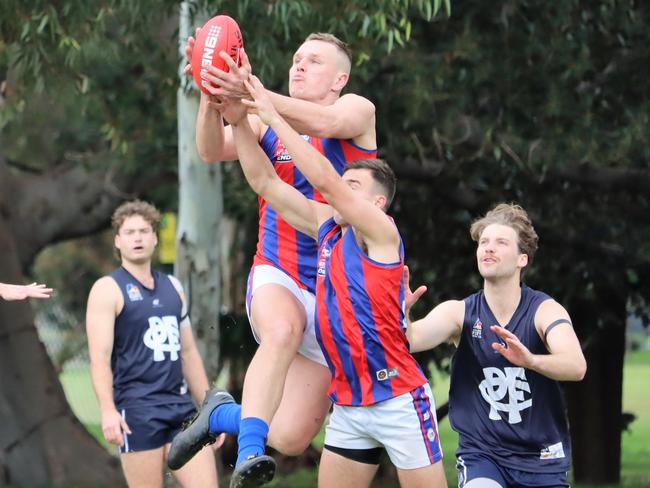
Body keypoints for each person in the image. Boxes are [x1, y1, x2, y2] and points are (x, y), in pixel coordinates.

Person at [173, 78, 447, 488]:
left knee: (290, 435)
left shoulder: (380, 232)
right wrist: (240, 121)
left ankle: (225, 417)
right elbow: (266, 183)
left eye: (352, 187)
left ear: (375, 204)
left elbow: (326, 182)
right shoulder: (326, 225)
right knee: (282, 433)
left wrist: (264, 109)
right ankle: (225, 419)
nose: (339, 194)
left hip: (397, 397)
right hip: (351, 401)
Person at [171, 31, 376, 474]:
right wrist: (213, 98)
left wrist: (250, 93)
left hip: (333, 291)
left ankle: (221, 415)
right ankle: (247, 457)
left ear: (340, 78)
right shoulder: (263, 119)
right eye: (297, 58)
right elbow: (209, 149)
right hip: (277, 270)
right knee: (283, 329)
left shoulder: (356, 111)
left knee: (288, 435)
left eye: (314, 62)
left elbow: (319, 124)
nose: (299, 66)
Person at [405, 203, 587, 488]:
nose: (488, 248)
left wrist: (531, 361)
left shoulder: (545, 311)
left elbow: (576, 366)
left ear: (522, 259)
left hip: (541, 456)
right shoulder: (459, 312)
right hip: (483, 455)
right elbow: (408, 341)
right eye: (484, 242)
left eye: (501, 243)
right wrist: (399, 312)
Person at [85, 200, 220, 488]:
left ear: (155, 238)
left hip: (180, 407)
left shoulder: (173, 286)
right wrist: (107, 410)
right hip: (136, 410)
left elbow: (188, 352)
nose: (137, 237)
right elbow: (99, 358)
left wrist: (210, 408)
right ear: (118, 241)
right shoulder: (107, 289)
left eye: (144, 231)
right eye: (130, 232)